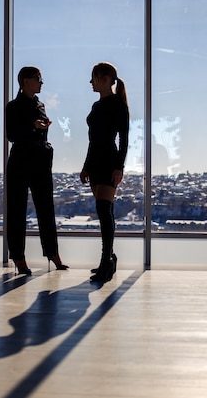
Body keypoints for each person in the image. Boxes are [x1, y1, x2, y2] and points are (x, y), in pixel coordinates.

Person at [5, 66, 69, 275]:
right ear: (25, 81)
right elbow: (12, 135)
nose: (42, 82)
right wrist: (34, 126)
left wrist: (41, 127)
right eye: (38, 78)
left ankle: (52, 252)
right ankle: (18, 256)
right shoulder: (13, 106)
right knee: (17, 209)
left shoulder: (40, 104)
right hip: (21, 160)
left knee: (46, 208)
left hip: (40, 159)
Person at [80, 62, 129, 282]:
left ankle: (105, 262)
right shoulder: (95, 106)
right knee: (104, 212)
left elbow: (124, 139)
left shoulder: (118, 105)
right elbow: (92, 141)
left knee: (103, 208)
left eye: (94, 78)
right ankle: (110, 257)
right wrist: (86, 165)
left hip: (110, 161)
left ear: (107, 79)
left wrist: (120, 167)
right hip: (96, 163)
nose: (91, 82)